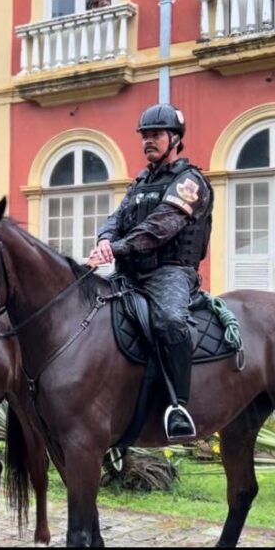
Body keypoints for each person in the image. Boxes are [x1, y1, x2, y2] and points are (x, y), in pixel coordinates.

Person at [88, 103, 213, 442]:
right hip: (130, 271)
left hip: (170, 272)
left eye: (156, 135)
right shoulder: (141, 181)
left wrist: (115, 248)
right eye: (145, 135)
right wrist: (104, 239)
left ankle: (179, 406)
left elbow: (161, 227)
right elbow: (117, 218)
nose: (148, 141)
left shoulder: (190, 181)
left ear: (175, 139)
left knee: (170, 321)